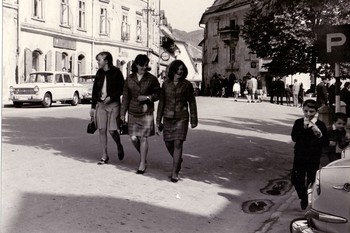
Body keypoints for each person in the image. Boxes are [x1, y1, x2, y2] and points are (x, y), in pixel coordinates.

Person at [156, 60, 198, 182]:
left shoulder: (187, 85)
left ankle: (174, 172)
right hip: (168, 117)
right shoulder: (166, 84)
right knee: (168, 143)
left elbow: (192, 102)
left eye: (182, 70)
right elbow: (161, 103)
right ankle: (178, 160)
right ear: (173, 70)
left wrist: (194, 119)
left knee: (178, 143)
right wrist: (158, 120)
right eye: (178, 69)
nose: (180, 72)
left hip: (182, 118)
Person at [120, 54, 160, 174]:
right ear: (136, 64)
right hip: (132, 111)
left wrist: (148, 97)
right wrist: (122, 113)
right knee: (132, 138)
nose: (144, 67)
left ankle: (142, 163)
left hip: (146, 112)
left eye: (146, 65)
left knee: (143, 138)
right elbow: (126, 97)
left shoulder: (152, 79)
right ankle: (143, 156)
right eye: (142, 65)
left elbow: (158, 94)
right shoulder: (129, 78)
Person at [291, 99, 328, 210]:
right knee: (296, 178)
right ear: (303, 109)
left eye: (311, 111)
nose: (308, 114)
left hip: (313, 156)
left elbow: (325, 142)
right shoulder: (298, 122)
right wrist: (303, 129)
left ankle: (310, 198)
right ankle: (304, 197)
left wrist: (319, 134)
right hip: (300, 155)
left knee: (311, 179)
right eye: (306, 111)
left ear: (316, 112)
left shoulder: (320, 124)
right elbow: (294, 138)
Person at [90, 51, 125, 165]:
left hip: (113, 104)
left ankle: (119, 145)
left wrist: (112, 97)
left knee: (112, 130)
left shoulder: (116, 72)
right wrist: (93, 106)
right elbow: (95, 90)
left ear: (106, 61)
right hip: (101, 105)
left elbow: (122, 88)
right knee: (101, 130)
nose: (98, 62)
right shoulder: (99, 72)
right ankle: (104, 155)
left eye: (99, 60)